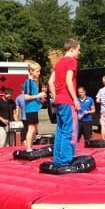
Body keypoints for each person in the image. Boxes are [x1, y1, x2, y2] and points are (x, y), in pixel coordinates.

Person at [49, 39, 81, 167]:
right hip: (68, 101)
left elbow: (50, 82)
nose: (79, 52)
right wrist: (75, 99)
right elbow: (69, 81)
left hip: (60, 101)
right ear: (72, 49)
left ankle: (58, 159)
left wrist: (56, 96)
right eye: (78, 49)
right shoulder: (72, 61)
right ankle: (65, 160)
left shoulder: (58, 63)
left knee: (61, 130)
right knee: (70, 131)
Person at [22, 60, 46, 152]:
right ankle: (28, 148)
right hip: (30, 110)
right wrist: (38, 95)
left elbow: (32, 96)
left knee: (35, 130)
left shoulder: (33, 83)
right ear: (31, 71)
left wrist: (40, 99)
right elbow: (25, 96)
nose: (39, 73)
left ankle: (30, 146)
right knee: (31, 129)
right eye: (37, 71)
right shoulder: (28, 82)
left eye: (39, 71)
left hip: (34, 109)